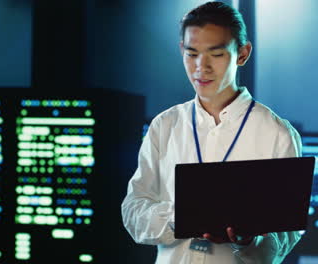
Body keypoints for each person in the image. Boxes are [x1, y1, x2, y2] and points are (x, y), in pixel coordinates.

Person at [121, 2, 302, 263]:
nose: (201, 67)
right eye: (192, 53)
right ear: (181, 50)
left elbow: (284, 239)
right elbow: (133, 213)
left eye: (215, 54)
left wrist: (248, 238)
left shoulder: (277, 133)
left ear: (242, 54)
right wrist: (182, 216)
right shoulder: (165, 125)